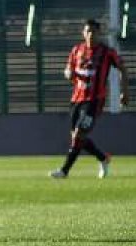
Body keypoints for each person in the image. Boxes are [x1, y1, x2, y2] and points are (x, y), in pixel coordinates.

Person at [50, 18, 128, 179]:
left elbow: (122, 69)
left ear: (99, 33)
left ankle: (64, 171)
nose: (91, 34)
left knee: (79, 134)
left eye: (94, 31)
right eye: (88, 31)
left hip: (94, 100)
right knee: (78, 138)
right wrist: (68, 74)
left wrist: (124, 92)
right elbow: (68, 69)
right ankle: (103, 158)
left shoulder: (107, 52)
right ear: (83, 33)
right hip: (76, 99)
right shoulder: (76, 50)